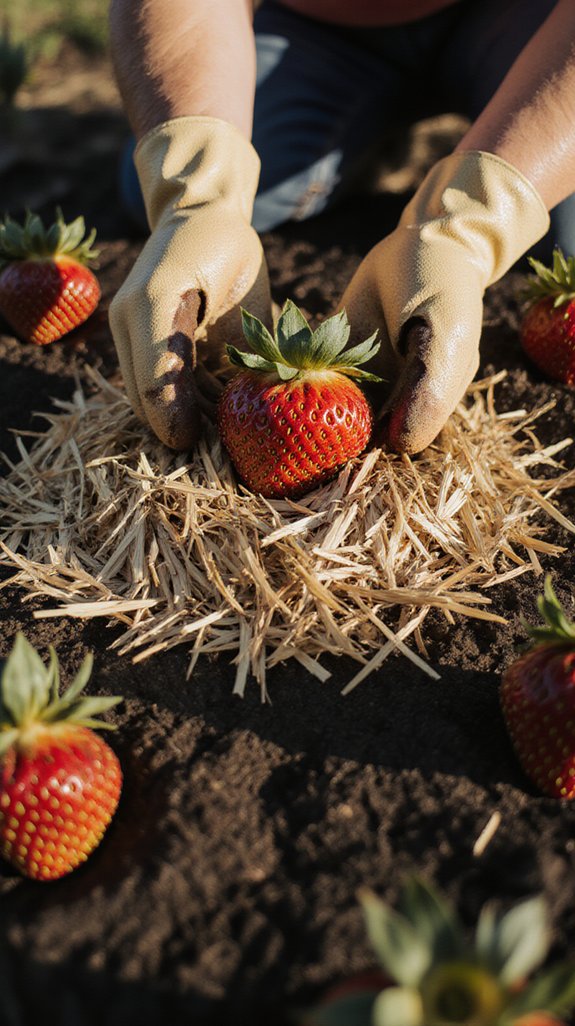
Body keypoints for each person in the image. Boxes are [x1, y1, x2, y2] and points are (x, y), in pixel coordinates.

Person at [107, 0, 575, 453]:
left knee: (568, 238)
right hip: (322, 27)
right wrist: (197, 198)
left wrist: (467, 230)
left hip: (526, 19)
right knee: (150, 186)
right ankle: (376, 140)